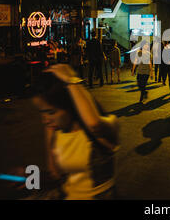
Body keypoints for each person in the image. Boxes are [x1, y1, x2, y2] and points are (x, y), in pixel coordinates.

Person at [32, 64, 120, 200]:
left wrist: (71, 80)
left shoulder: (106, 127)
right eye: (42, 113)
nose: (45, 121)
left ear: (70, 106)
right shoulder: (57, 132)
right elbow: (55, 175)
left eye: (51, 112)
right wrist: (29, 177)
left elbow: (94, 124)